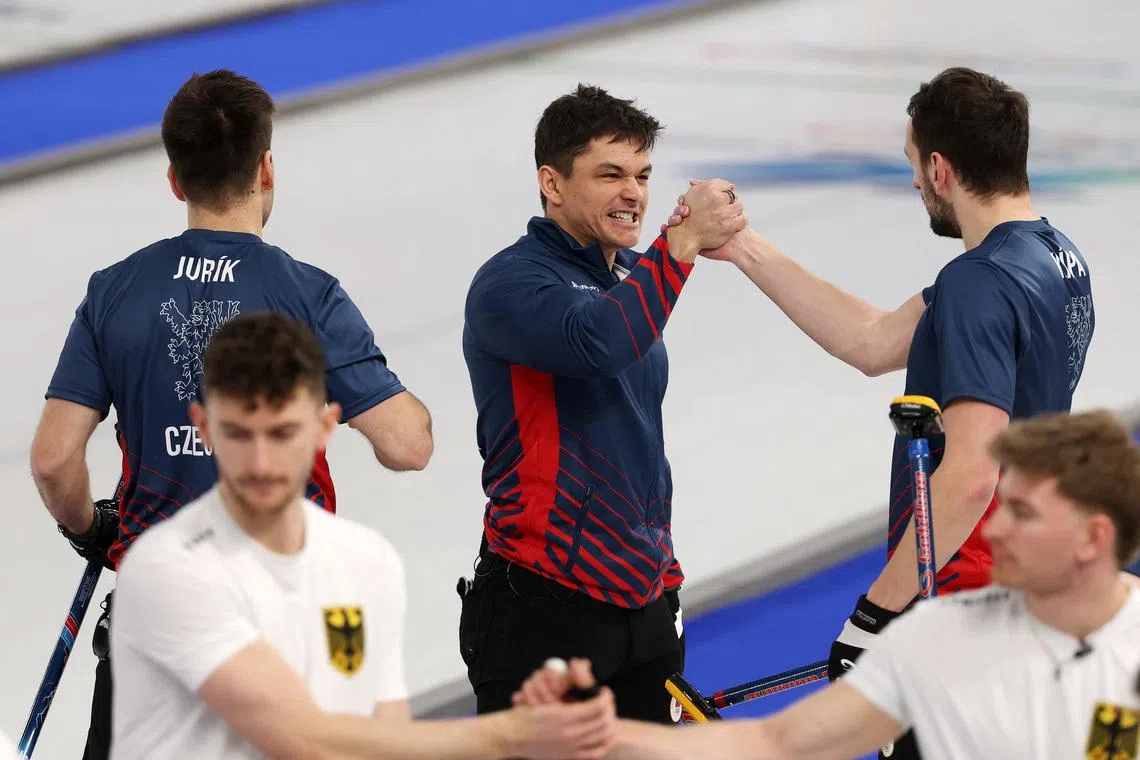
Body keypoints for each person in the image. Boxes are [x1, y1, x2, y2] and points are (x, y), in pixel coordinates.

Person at [666, 66, 1096, 755]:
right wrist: (744, 248)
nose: (914, 185)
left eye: (912, 167)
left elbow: (972, 472)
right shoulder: (1053, 256)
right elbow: (870, 342)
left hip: (959, 593)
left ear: (939, 167)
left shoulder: (977, 284)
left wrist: (878, 610)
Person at [29, 69, 433, 760]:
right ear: (266, 167)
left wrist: (90, 527)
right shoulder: (309, 296)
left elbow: (53, 460)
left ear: (175, 180)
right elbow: (406, 445)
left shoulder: (115, 290)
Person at [109, 311, 617, 760]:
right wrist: (510, 733)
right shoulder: (166, 569)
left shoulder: (364, 561)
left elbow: (386, 740)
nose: (260, 463)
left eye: (282, 433)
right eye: (240, 434)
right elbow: (307, 742)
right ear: (204, 426)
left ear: (326, 426)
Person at [517, 409, 1140, 760]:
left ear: (1094, 538)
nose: (993, 528)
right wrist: (595, 733)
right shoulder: (937, 636)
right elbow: (773, 742)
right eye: (1000, 504)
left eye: (1023, 513)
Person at [458, 83, 746, 724]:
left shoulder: (629, 276)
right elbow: (598, 343)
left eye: (643, 175)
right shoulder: (511, 284)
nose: (634, 193)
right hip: (544, 601)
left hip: (647, 595)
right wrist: (679, 245)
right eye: (610, 174)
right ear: (552, 183)